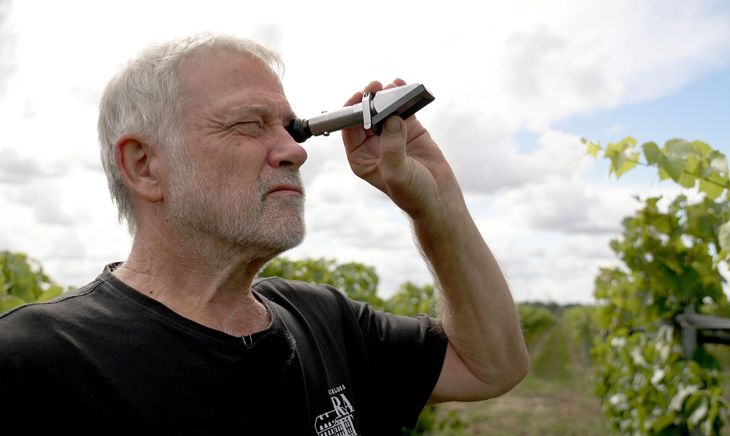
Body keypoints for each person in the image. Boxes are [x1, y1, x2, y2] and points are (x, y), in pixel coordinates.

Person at [0, 34, 529, 435]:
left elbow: (491, 366)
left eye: (291, 128)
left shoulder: (327, 320)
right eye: (249, 125)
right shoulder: (32, 362)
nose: (295, 151)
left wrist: (435, 204)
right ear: (144, 166)